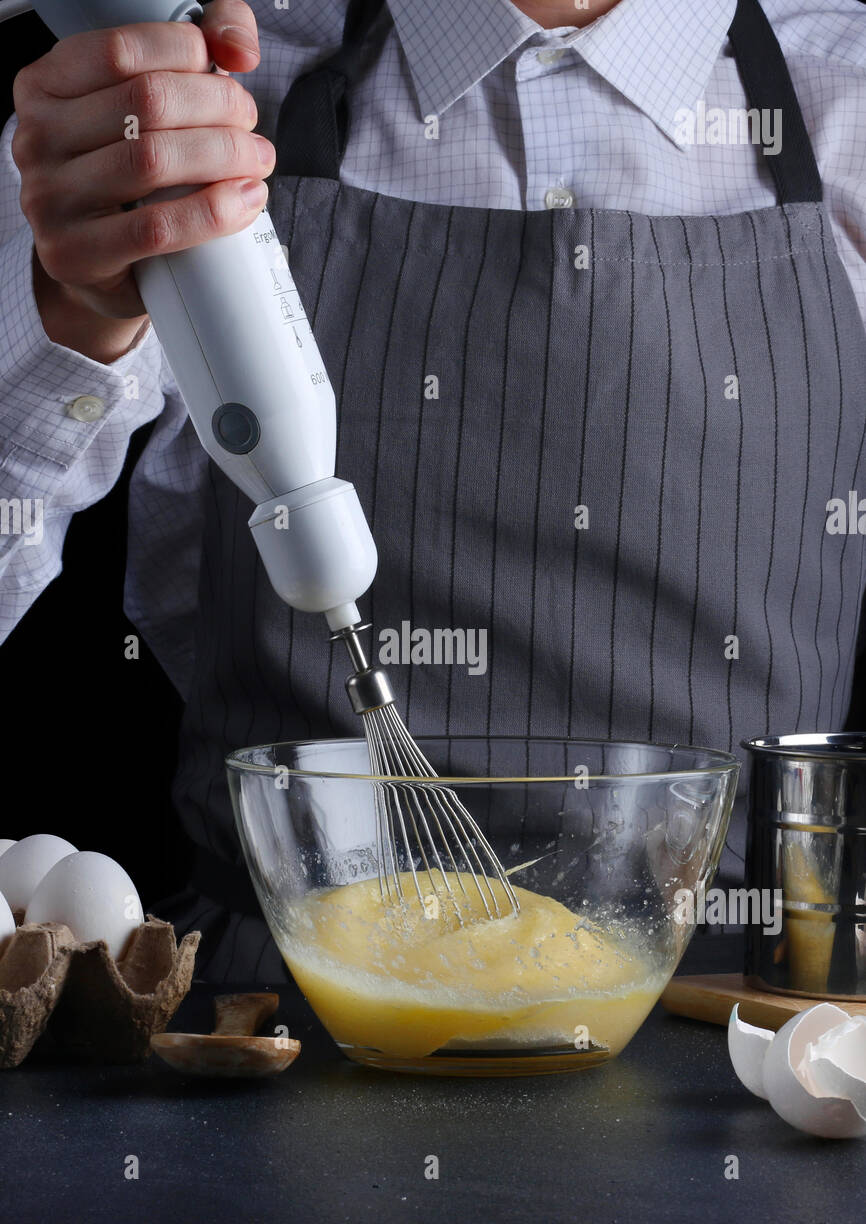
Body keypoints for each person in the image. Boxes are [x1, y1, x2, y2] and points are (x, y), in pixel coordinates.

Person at [1, 0, 864, 980]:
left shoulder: (846, 96)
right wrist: (66, 325)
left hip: (746, 1043)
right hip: (290, 1029)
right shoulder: (179, 110)